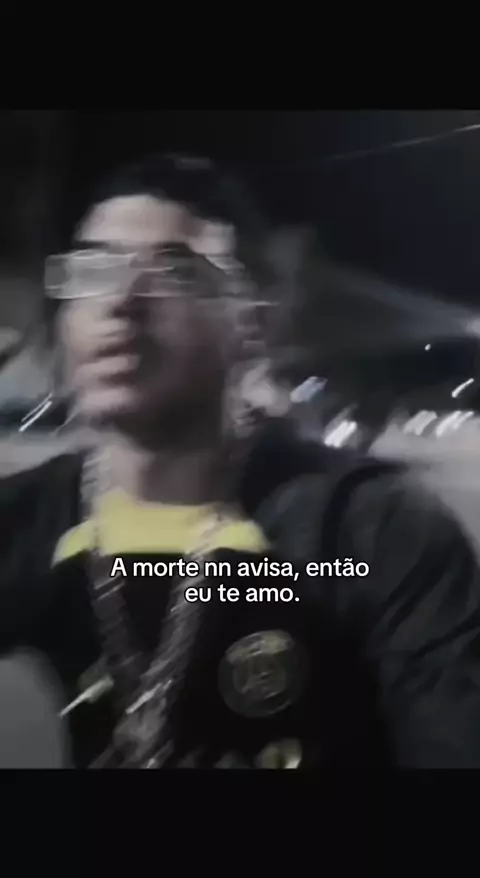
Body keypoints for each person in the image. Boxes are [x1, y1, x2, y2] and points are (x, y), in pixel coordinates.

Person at [1, 153, 480, 769]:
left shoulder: (371, 531)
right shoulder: (25, 519)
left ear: (250, 323)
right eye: (93, 269)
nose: (119, 300)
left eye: (173, 271)